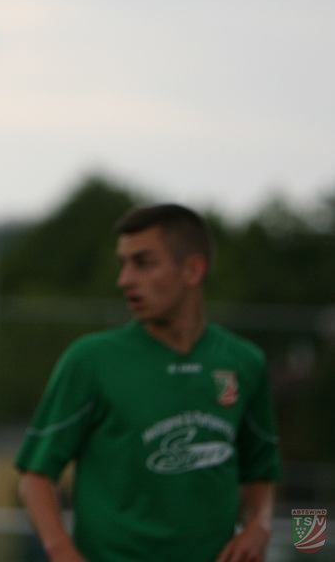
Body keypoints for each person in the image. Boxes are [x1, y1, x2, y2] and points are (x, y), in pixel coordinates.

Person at [15, 204, 281, 562]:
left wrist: (259, 525)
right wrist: (62, 551)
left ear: (193, 270)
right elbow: (34, 477)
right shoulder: (91, 361)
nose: (124, 280)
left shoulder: (244, 362)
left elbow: (261, 470)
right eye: (122, 264)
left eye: (143, 263)